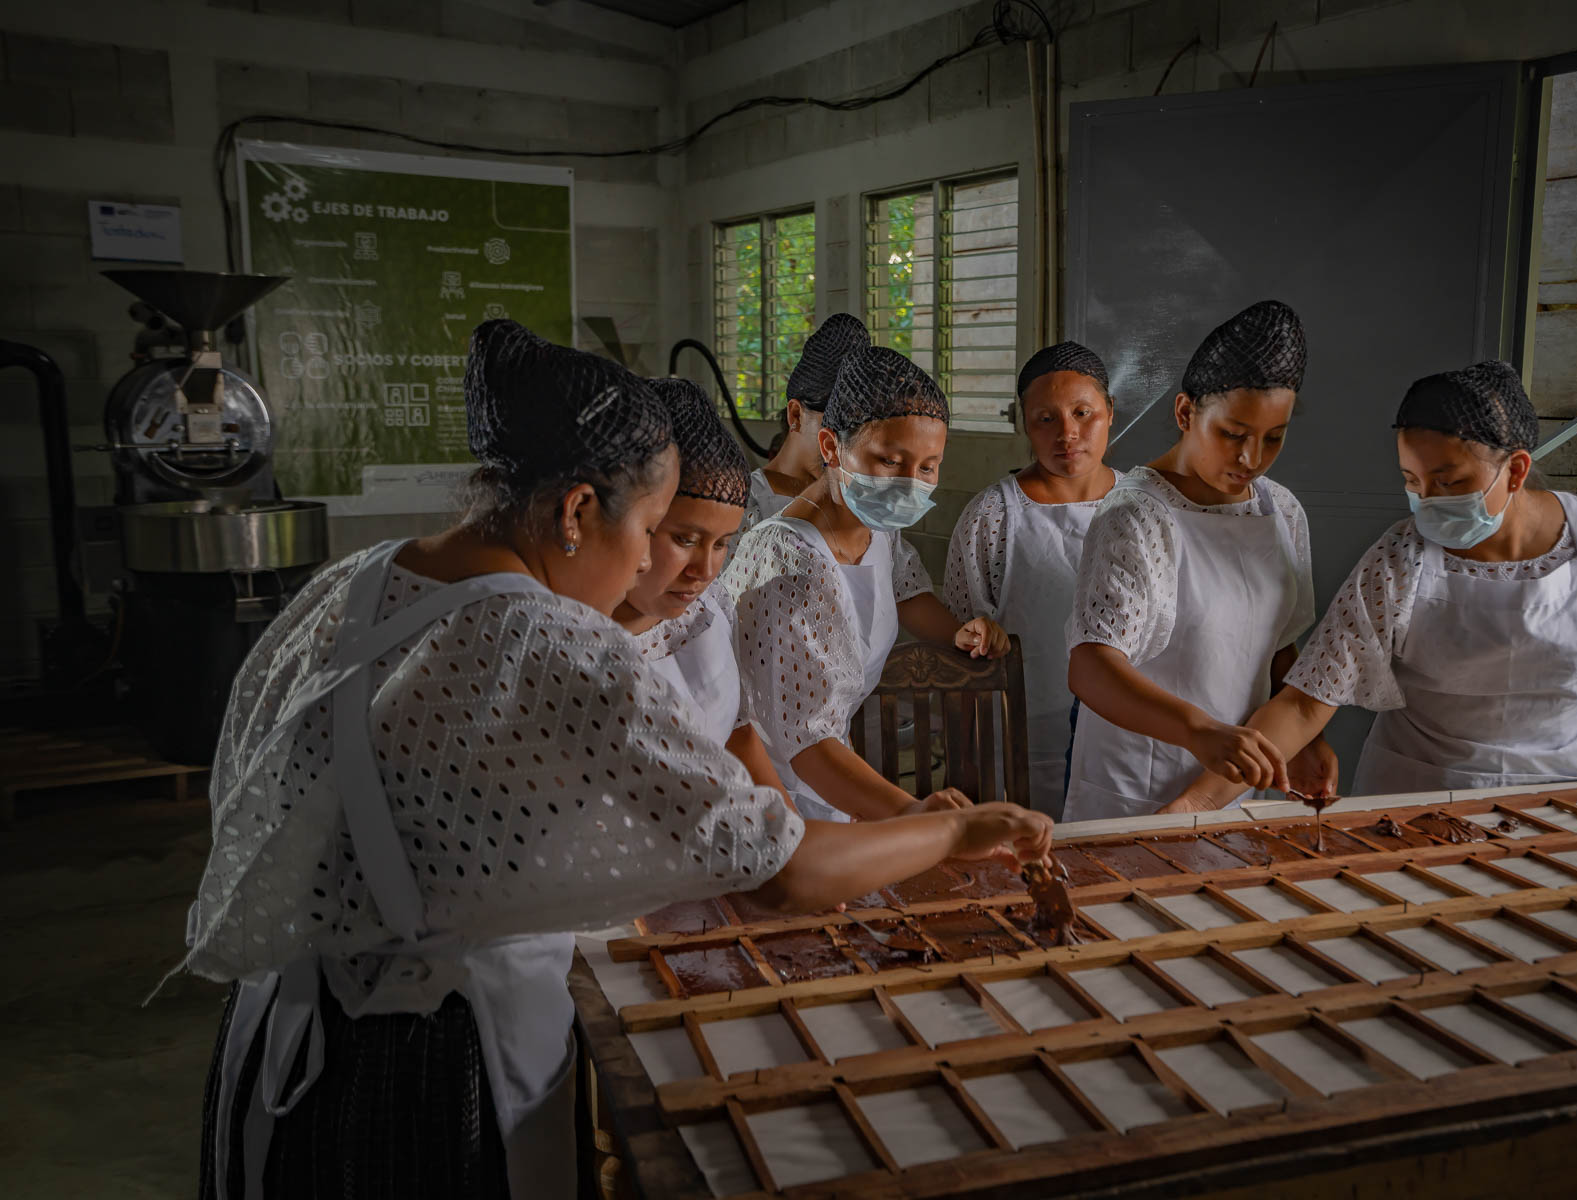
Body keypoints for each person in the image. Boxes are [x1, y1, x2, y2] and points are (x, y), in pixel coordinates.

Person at [184, 321, 1051, 1199]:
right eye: (649, 530)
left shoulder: (356, 580)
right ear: (574, 513)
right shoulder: (550, 640)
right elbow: (780, 873)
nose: (652, 562)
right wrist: (955, 831)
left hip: (277, 1042)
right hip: (432, 1071)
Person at [1176, 360, 1577, 807]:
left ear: (1516, 469)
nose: (1428, 500)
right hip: (1416, 802)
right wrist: (1194, 804)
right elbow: (1307, 702)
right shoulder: (1401, 558)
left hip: (1569, 798)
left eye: (1451, 482)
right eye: (1413, 481)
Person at [1064, 300, 1330, 821]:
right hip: (1136, 790)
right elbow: (1091, 667)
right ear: (1186, 413)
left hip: (1232, 786)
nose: (1251, 458)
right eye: (1233, 435)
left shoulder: (1281, 511)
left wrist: (1301, 739)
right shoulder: (1138, 515)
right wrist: (1197, 729)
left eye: (1273, 438)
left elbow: (1277, 647)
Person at [725, 344, 1012, 823]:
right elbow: (805, 742)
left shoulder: (875, 533)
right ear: (831, 446)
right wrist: (915, 814)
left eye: (927, 466)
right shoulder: (783, 557)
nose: (909, 483)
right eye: (889, 461)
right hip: (766, 795)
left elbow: (828, 722)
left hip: (833, 782)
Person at [944, 342, 1118, 817]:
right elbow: (962, 639)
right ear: (1025, 425)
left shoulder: (1144, 508)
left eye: (1083, 413)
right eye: (1046, 419)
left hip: (1121, 733)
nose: (1068, 433)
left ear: (1110, 412)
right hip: (1020, 737)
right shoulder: (993, 516)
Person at [612, 376, 792, 806]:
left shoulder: (708, 610)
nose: (705, 571)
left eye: (721, 543)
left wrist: (793, 835)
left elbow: (740, 738)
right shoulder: (573, 638)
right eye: (685, 540)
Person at [744, 313, 871, 528]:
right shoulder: (746, 504)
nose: (844, 443)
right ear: (795, 414)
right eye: (835, 424)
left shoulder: (861, 504)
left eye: (858, 428)